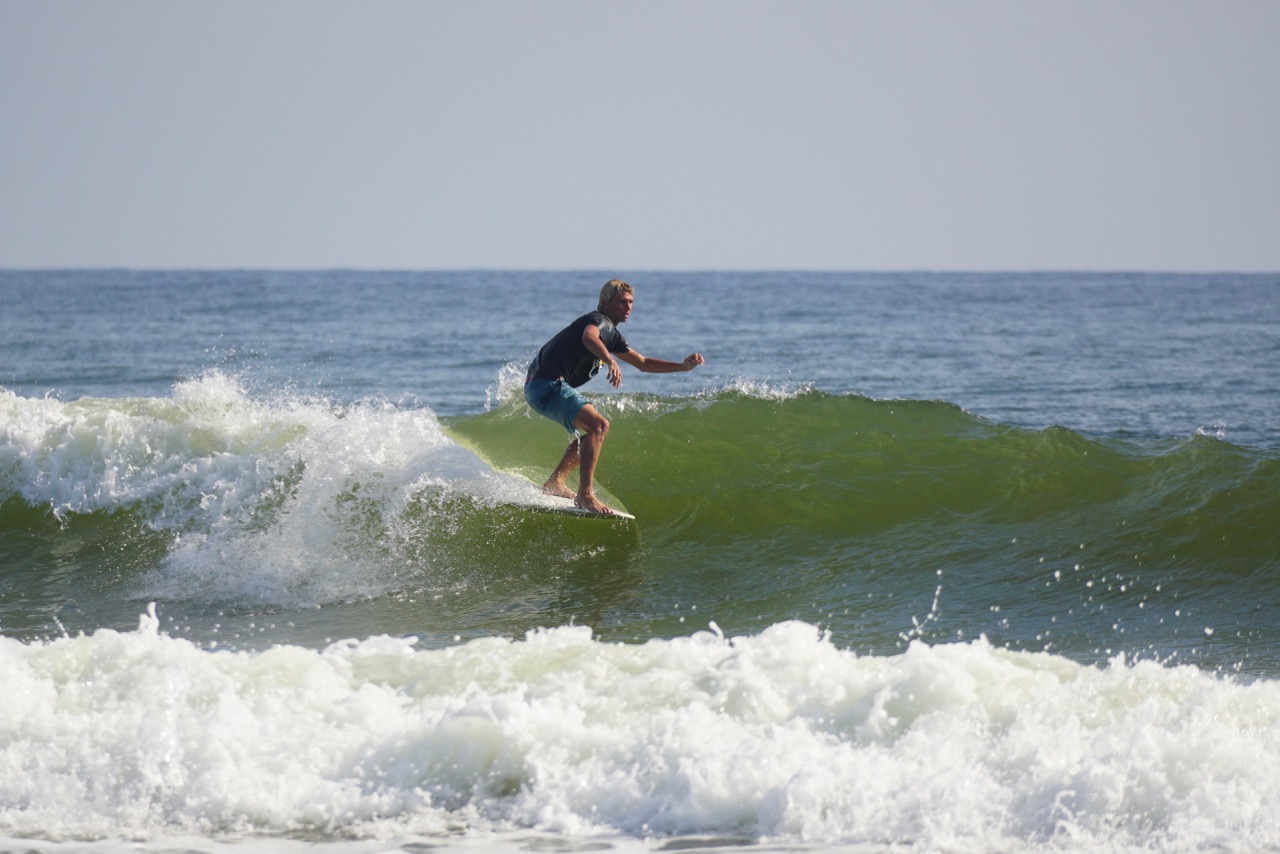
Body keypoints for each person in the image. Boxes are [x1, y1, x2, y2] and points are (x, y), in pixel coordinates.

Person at [524, 279, 704, 515]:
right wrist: (610, 360)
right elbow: (589, 337)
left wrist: (681, 367)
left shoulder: (611, 335)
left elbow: (642, 363)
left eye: (631, 302)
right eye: (622, 302)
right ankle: (585, 495)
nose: (628, 307)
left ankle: (555, 483)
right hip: (547, 385)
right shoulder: (599, 321)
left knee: (593, 432)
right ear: (607, 302)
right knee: (599, 425)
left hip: (539, 387)